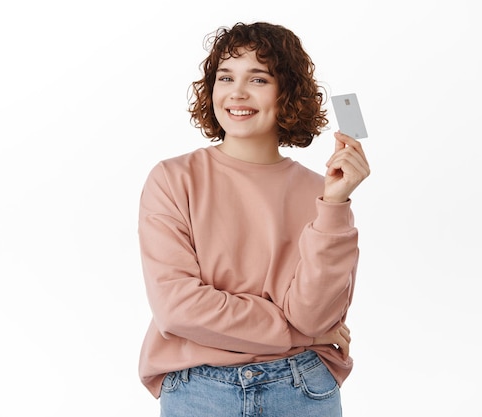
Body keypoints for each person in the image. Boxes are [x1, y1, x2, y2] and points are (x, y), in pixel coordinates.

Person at [137, 21, 370, 417]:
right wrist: (301, 334)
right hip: (199, 390)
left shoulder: (322, 193)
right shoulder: (174, 179)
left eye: (258, 78)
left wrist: (335, 203)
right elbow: (178, 309)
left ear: (288, 93)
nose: (237, 93)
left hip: (301, 388)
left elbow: (313, 314)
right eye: (225, 77)